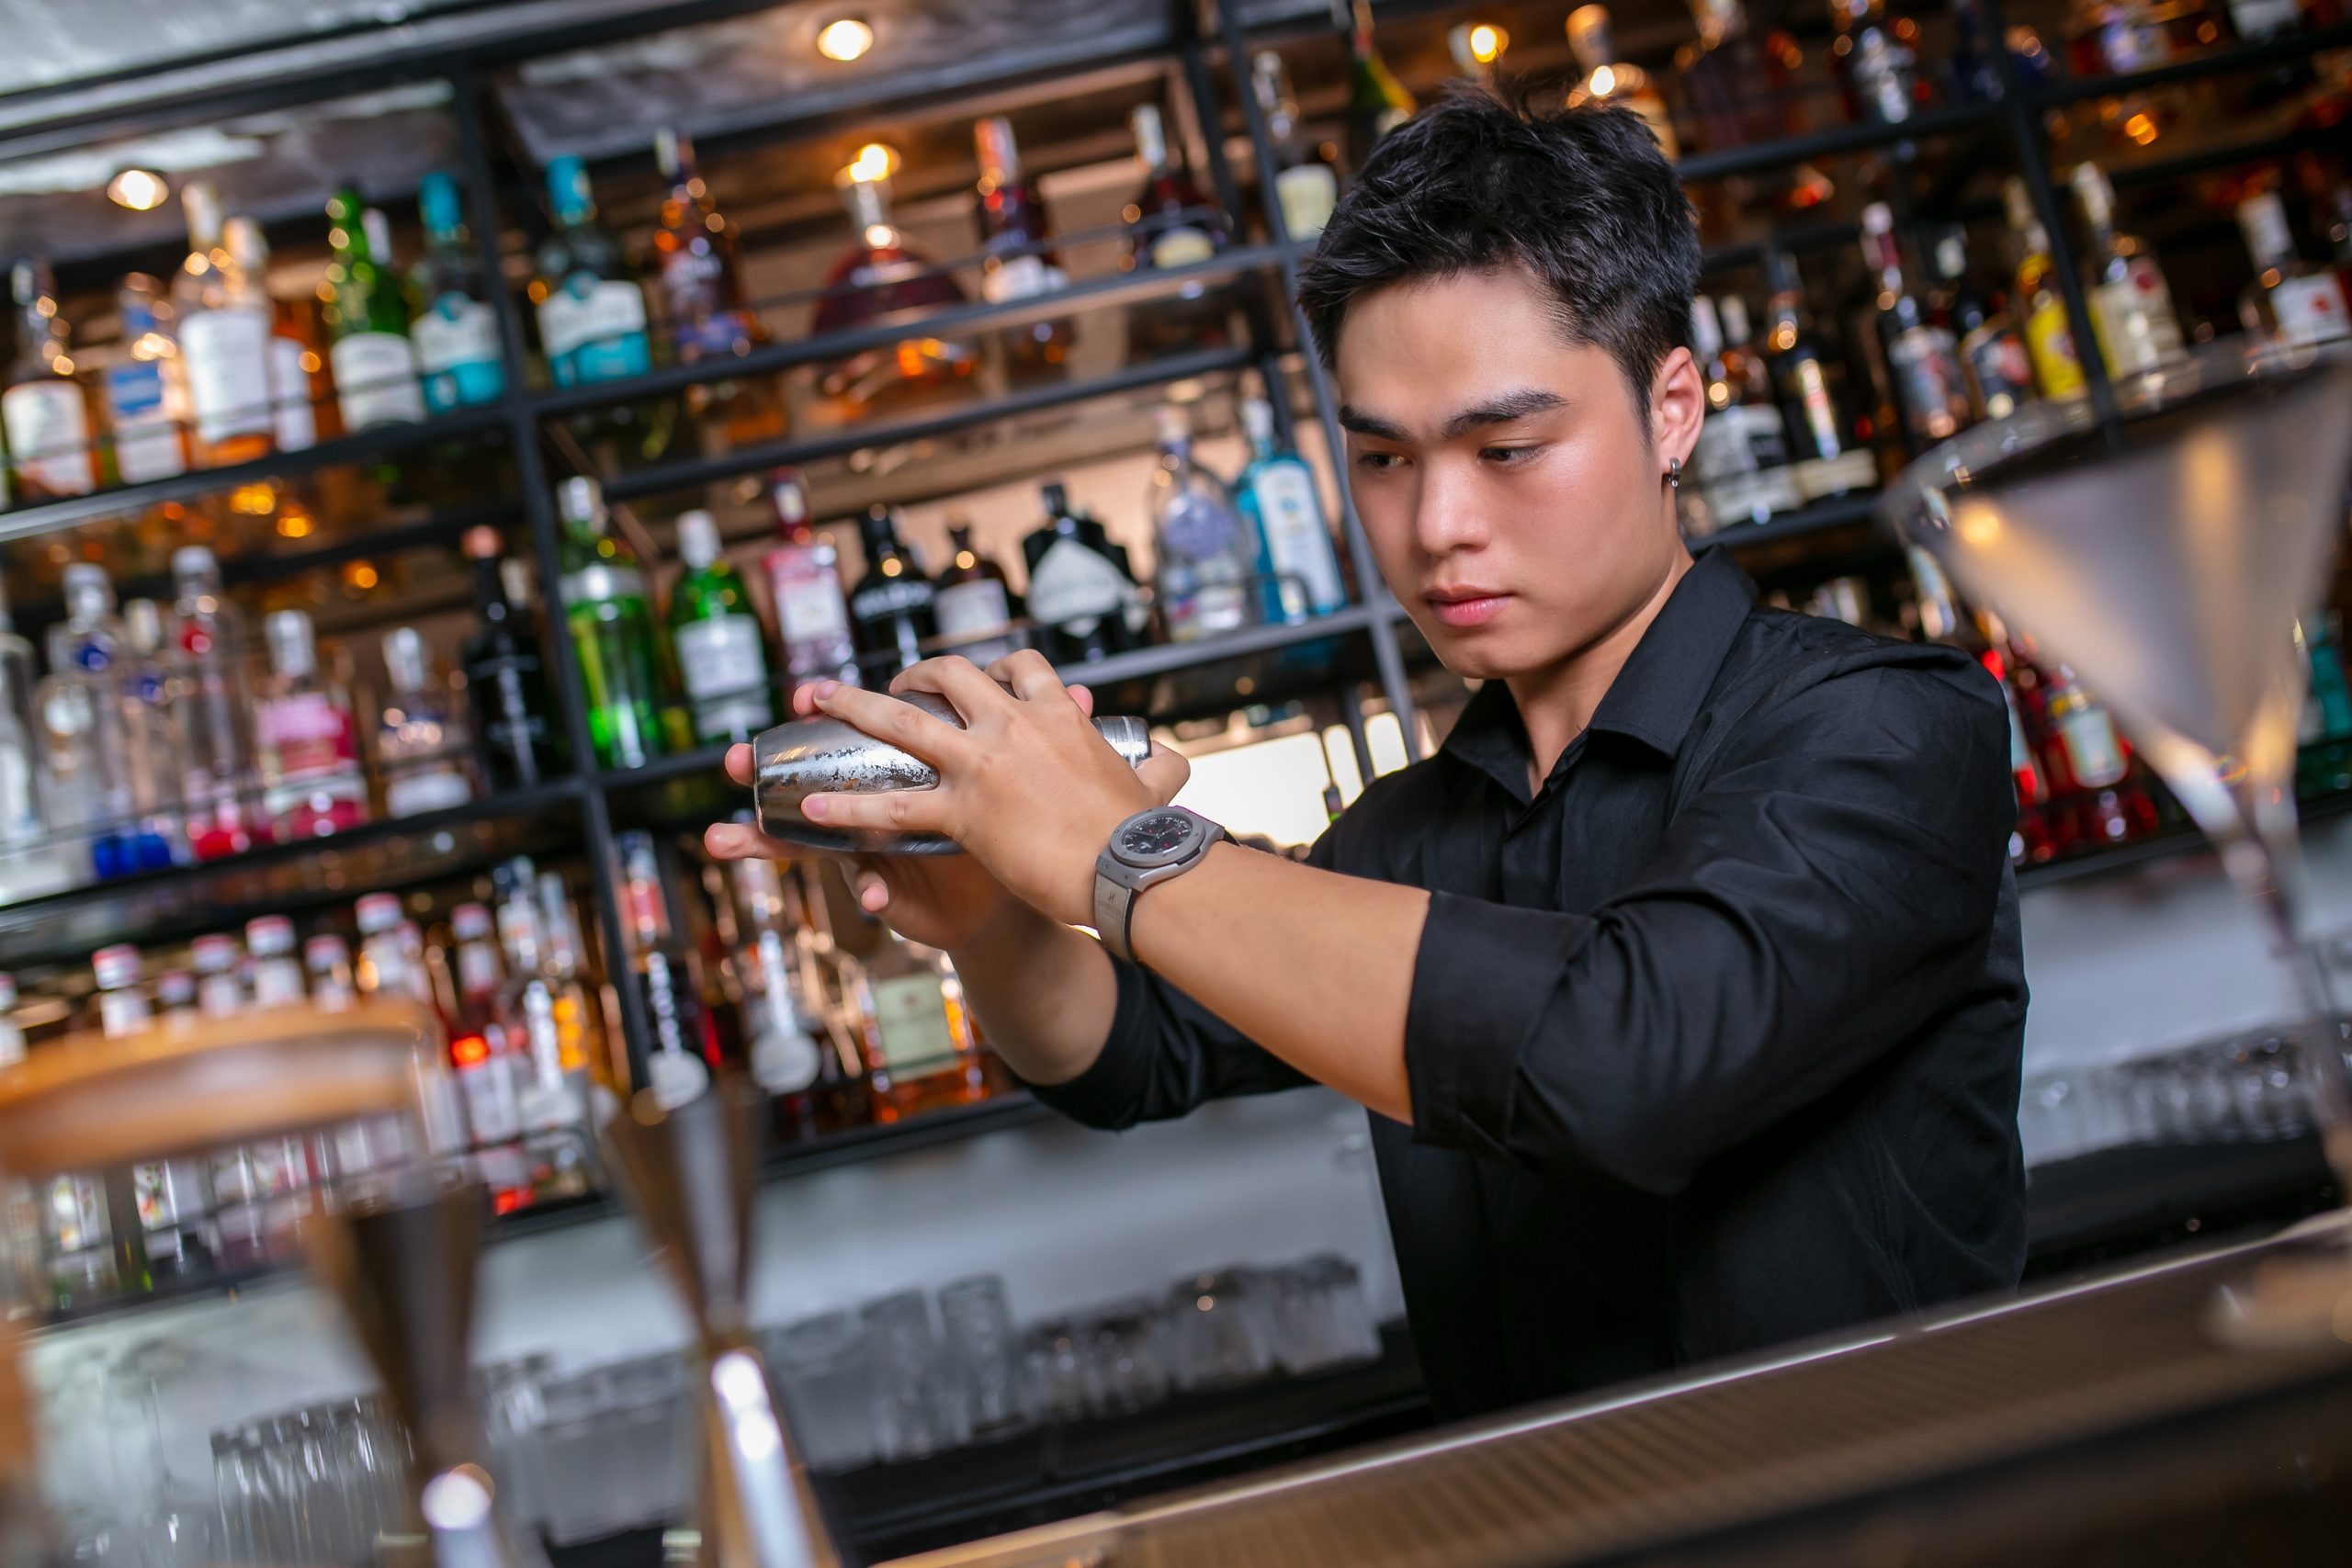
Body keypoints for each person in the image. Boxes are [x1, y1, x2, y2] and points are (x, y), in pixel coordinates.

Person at [707, 84, 2027, 1421]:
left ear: (1673, 406)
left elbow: (1632, 1058)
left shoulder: (1889, 726)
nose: (1437, 523)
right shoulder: (1410, 834)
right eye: (1385, 459)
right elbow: (1129, 1053)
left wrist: (1117, 850)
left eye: (1508, 446)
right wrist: (992, 912)